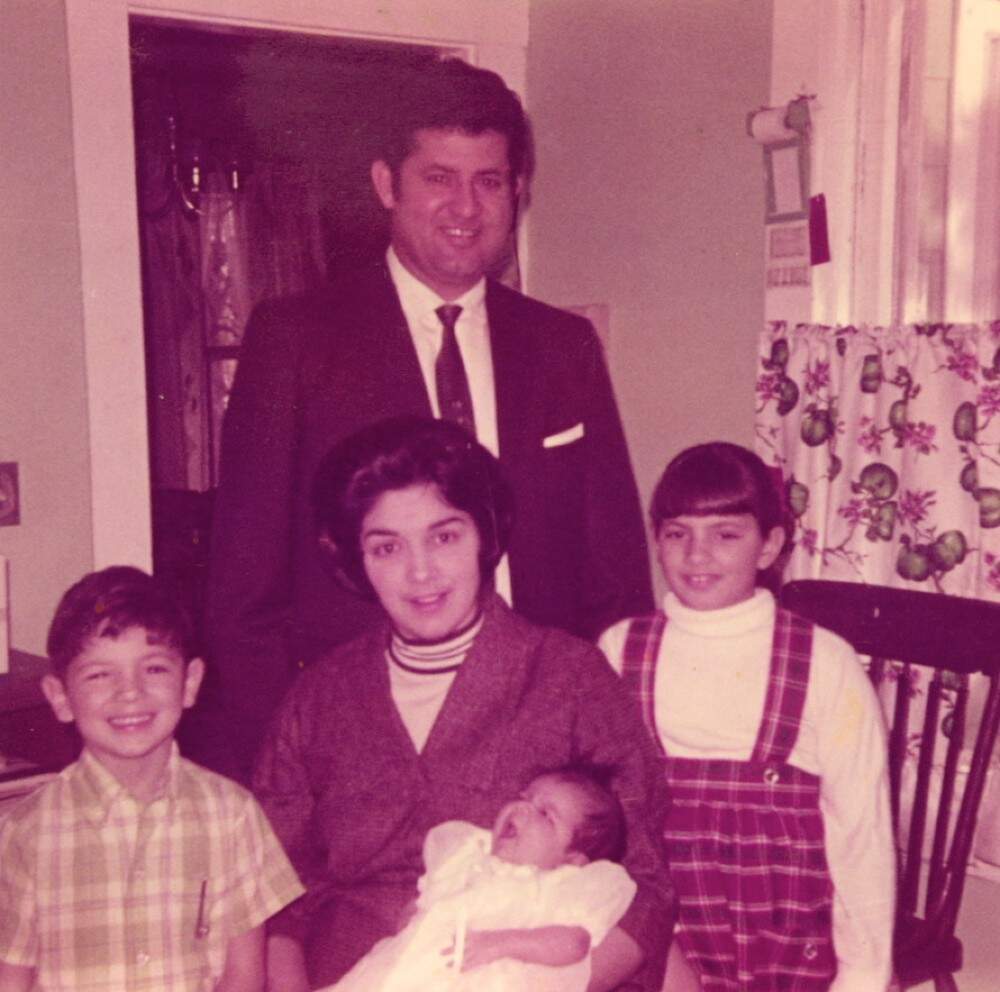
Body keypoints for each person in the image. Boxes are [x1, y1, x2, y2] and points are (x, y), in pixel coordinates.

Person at [205, 56, 652, 779]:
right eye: (438, 178)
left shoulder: (563, 348)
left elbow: (616, 576)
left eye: (489, 181)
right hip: (363, 745)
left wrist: (595, 739)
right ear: (387, 184)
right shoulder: (296, 339)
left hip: (541, 741)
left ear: (518, 193)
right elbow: (243, 594)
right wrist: (295, 761)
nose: (465, 208)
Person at [253, 416, 672, 992]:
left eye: (444, 536)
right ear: (356, 560)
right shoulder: (317, 698)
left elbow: (644, 887)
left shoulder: (570, 676)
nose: (420, 571)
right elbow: (276, 896)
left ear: (485, 537)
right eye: (387, 547)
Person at [599, 442, 895, 992]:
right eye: (676, 533)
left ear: (769, 546)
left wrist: (863, 977)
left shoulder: (824, 662)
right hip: (660, 934)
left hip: (781, 942)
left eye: (725, 535)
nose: (696, 555)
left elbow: (862, 832)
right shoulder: (621, 649)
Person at [0, 567, 303, 992]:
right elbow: (10, 979)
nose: (130, 692)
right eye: (100, 674)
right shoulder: (23, 833)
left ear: (190, 683)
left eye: (155, 669)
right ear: (60, 697)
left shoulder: (232, 815)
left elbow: (244, 977)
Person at [323, 765, 637, 992]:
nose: (521, 810)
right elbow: (419, 906)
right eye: (525, 798)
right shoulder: (466, 855)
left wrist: (502, 943)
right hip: (404, 968)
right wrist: (412, 920)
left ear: (572, 859)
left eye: (545, 815)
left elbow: (574, 943)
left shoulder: (558, 886)